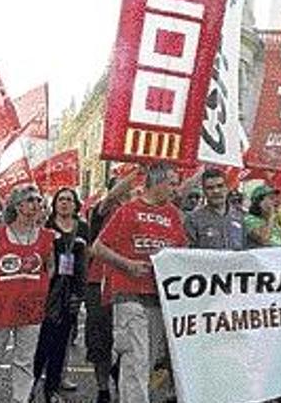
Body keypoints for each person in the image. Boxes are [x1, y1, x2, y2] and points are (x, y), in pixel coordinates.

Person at [92, 162, 187, 403]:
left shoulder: (174, 215)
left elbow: (182, 252)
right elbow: (98, 248)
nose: (177, 189)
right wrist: (127, 264)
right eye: (173, 183)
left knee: (148, 362)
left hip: (158, 298)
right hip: (129, 294)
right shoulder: (128, 210)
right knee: (136, 359)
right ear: (157, 183)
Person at [0, 186, 56, 403]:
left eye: (39, 200)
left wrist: (38, 288)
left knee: (25, 359)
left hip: (31, 305)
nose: (37, 204)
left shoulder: (47, 236)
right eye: (31, 200)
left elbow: (50, 268)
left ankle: (20, 398)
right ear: (18, 205)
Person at [86, 167, 141, 403]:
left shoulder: (139, 212)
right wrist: (139, 171)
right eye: (122, 187)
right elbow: (110, 198)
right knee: (100, 340)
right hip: (98, 283)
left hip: (128, 285)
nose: (129, 191)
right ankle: (102, 389)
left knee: (129, 339)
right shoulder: (101, 212)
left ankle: (121, 380)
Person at [33, 187, 89, 401]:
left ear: (75, 204)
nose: (64, 203)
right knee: (42, 342)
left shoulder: (82, 227)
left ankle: (51, 389)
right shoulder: (46, 226)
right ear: (55, 203)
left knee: (61, 343)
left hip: (71, 291)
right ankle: (31, 384)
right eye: (60, 199)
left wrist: (80, 292)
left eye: (69, 199)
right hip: (49, 290)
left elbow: (86, 259)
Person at [185, 168, 245, 250]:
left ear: (227, 188)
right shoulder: (193, 220)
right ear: (204, 191)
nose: (216, 191)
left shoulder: (241, 217)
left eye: (220, 186)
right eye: (210, 188)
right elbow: (188, 254)